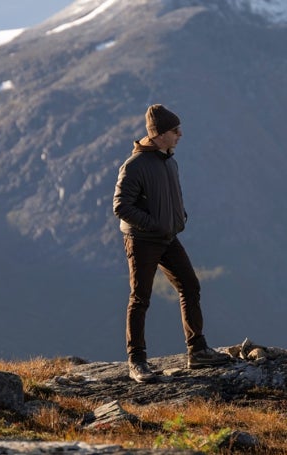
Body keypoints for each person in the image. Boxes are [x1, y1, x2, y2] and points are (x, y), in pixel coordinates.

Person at [113, 104, 230, 383]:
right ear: (158, 134)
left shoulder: (169, 161)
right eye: (175, 130)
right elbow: (121, 206)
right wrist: (154, 225)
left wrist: (179, 218)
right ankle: (137, 362)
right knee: (139, 298)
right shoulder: (134, 165)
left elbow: (172, 197)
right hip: (142, 240)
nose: (180, 134)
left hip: (167, 238)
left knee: (190, 286)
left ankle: (198, 351)